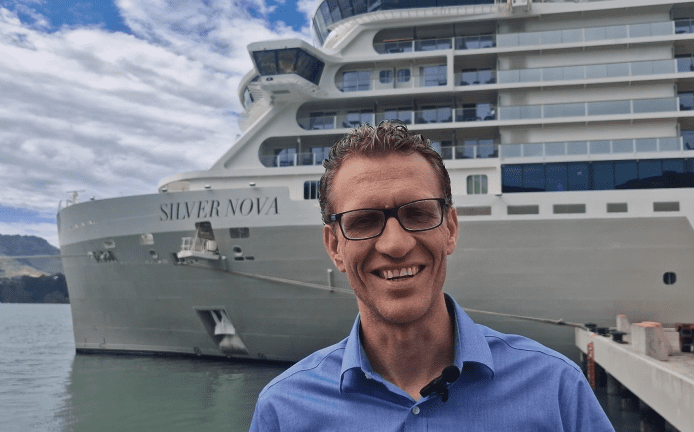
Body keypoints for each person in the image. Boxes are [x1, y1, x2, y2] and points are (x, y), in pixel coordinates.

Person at [250, 121, 614, 431]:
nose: (395, 244)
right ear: (334, 246)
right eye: (363, 221)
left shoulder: (556, 387)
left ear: (450, 229)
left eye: (419, 213)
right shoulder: (283, 411)